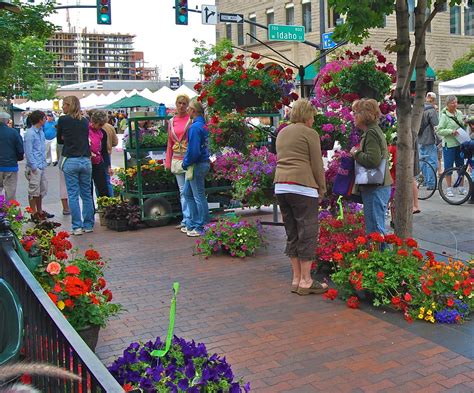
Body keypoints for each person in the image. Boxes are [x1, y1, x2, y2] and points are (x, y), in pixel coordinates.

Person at [274, 99, 327, 296]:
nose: (313, 119)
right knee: (308, 231)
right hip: (303, 187)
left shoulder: (282, 132)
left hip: (281, 186)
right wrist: (321, 189)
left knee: (292, 231)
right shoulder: (309, 133)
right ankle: (306, 280)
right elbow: (316, 165)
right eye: (312, 115)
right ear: (307, 115)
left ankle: (296, 278)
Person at [350, 98, 392, 234]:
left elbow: (373, 160)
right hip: (378, 186)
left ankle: (382, 254)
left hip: (375, 187)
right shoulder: (373, 131)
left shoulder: (371, 133)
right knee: (375, 227)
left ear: (363, 115)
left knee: (375, 230)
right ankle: (380, 253)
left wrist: (356, 153)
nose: (353, 116)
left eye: (355, 113)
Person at [57, 96, 94, 235]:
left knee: (72, 194)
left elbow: (59, 139)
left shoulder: (63, 119)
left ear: (69, 105)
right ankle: (88, 224)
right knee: (86, 194)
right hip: (85, 159)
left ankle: (77, 226)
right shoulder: (85, 120)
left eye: (64, 105)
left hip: (71, 158)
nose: (62, 108)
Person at [181, 99, 210, 237]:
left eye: (188, 109)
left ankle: (201, 225)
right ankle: (193, 222)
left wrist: (185, 163)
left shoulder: (194, 127)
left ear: (193, 111)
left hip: (196, 164)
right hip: (202, 163)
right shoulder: (203, 125)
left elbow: (194, 151)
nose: (187, 111)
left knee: (198, 196)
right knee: (188, 193)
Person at [165, 94, 191, 230]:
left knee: (189, 190)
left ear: (187, 105)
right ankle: (186, 218)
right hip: (176, 158)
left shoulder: (191, 120)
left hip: (189, 159)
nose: (181, 106)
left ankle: (191, 218)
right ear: (176, 104)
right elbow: (169, 143)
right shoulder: (171, 121)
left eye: (184, 103)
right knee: (182, 191)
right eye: (179, 103)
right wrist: (168, 162)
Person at [24, 110, 53, 218]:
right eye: (44, 118)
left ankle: (40, 210)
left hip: (41, 164)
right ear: (40, 120)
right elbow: (28, 151)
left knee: (41, 189)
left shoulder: (41, 131)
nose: (46, 120)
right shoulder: (30, 133)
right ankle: (33, 212)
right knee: (33, 190)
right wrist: (33, 166)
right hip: (35, 166)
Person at [437, 95, 466, 197]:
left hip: (460, 143)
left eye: (456, 102)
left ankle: (461, 187)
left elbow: (462, 124)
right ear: (448, 104)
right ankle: (449, 188)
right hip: (449, 145)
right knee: (448, 167)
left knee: (461, 166)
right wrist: (450, 131)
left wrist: (465, 122)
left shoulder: (459, 113)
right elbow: (439, 130)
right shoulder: (444, 115)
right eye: (453, 103)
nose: (455, 104)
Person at [0, 112, 24, 201]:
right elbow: (20, 149)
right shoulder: (13, 132)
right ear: (7, 121)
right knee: (10, 192)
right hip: (10, 165)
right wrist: (18, 158)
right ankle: (10, 212)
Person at [418, 92, 439, 190]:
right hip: (429, 138)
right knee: (432, 161)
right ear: (433, 100)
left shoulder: (418, 108)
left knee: (423, 160)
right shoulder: (431, 110)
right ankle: (431, 183)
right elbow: (436, 124)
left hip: (419, 138)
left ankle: (424, 180)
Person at [88, 110, 111, 198]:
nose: (99, 127)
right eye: (99, 124)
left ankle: (105, 208)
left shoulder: (102, 133)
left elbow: (104, 150)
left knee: (103, 188)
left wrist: (108, 165)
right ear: (93, 121)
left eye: (102, 125)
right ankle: (91, 210)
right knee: (88, 190)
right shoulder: (85, 130)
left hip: (98, 162)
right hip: (88, 162)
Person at [102, 115, 119, 196]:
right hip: (107, 154)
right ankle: (111, 200)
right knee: (107, 179)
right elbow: (115, 142)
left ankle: (101, 201)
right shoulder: (110, 127)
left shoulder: (93, 127)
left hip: (96, 155)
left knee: (97, 181)